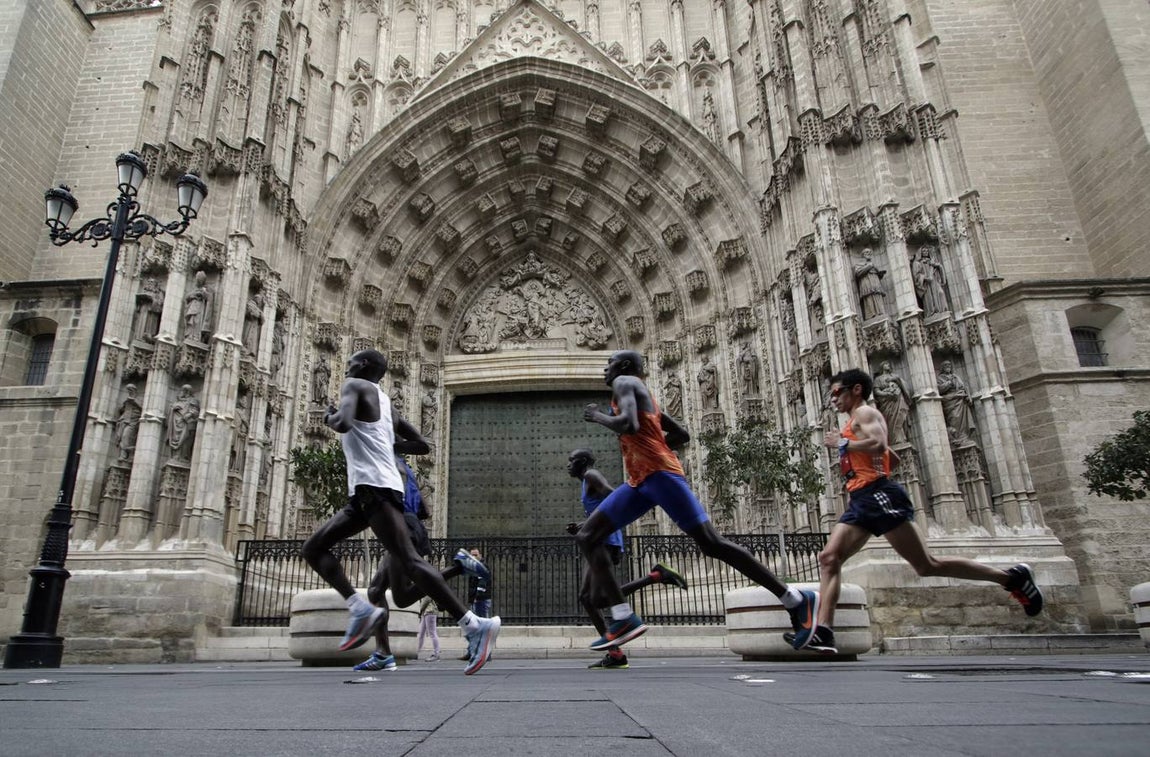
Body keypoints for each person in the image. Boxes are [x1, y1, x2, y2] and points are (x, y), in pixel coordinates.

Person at [577, 349, 820, 652]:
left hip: (660, 476)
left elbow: (630, 425)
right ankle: (622, 617)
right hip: (640, 481)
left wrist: (598, 416)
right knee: (588, 535)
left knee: (711, 543)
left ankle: (796, 600)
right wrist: (657, 446)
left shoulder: (624, 382)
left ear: (624, 366)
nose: (605, 369)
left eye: (609, 363)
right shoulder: (642, 394)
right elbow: (681, 433)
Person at [809, 367, 1045, 654]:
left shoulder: (865, 414)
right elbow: (890, 458)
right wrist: (863, 471)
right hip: (863, 498)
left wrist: (845, 445)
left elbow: (881, 444)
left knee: (926, 565)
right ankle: (823, 631)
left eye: (836, 392)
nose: (833, 400)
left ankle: (1011, 578)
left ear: (856, 389)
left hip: (879, 496)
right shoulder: (852, 421)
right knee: (829, 557)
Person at [301, 349, 499, 675]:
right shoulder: (387, 404)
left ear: (363, 366)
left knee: (410, 563)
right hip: (369, 490)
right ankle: (362, 610)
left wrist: (329, 416)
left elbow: (342, 423)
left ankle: (474, 624)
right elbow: (421, 443)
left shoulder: (353, 385)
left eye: (351, 360)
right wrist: (387, 445)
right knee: (314, 548)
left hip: (376, 488)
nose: (347, 363)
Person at [567, 448, 690, 670]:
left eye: (572, 460)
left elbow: (613, 497)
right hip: (598, 537)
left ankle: (655, 577)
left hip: (604, 539)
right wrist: (582, 525)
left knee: (595, 599)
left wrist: (591, 527)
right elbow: (600, 507)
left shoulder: (591, 475)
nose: (568, 465)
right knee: (588, 598)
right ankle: (615, 652)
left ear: (582, 462)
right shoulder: (584, 482)